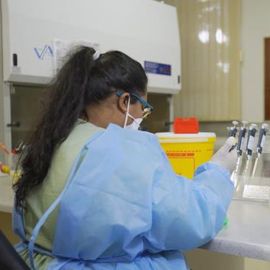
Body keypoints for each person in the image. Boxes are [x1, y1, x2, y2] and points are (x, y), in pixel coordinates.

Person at [13, 46, 237, 270]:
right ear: (125, 102)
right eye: (144, 108)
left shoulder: (51, 138)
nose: (142, 117)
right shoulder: (124, 152)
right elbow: (191, 220)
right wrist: (217, 172)